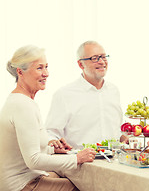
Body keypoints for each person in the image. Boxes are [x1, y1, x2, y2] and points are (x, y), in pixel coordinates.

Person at [0, 45, 95, 191]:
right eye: (39, 68)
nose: (46, 73)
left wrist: (52, 149)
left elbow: (23, 150)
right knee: (82, 187)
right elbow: (33, 160)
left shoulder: (23, 101)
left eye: (46, 67)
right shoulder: (22, 105)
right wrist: (77, 158)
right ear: (20, 72)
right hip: (21, 184)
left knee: (77, 179)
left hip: (30, 176)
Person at [46, 41, 127, 150]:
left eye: (103, 57)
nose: (102, 62)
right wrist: (53, 142)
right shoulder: (64, 94)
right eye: (95, 58)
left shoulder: (114, 91)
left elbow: (115, 129)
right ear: (80, 64)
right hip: (81, 163)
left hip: (113, 161)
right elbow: (51, 132)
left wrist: (124, 138)